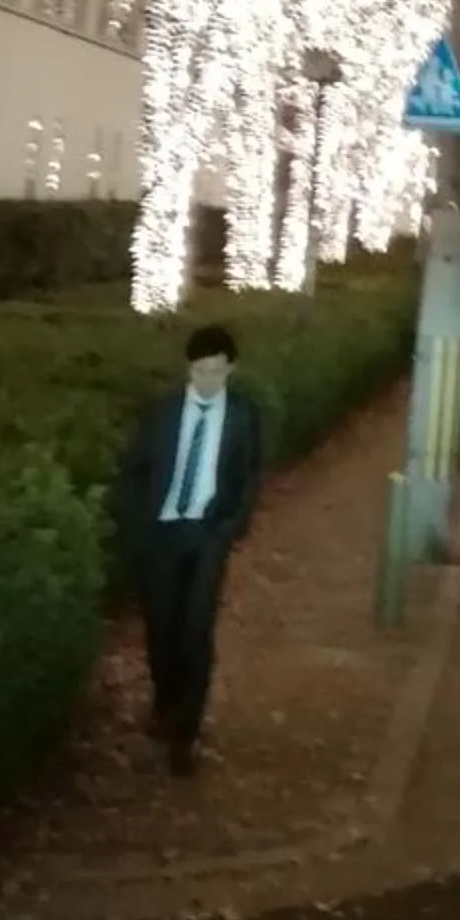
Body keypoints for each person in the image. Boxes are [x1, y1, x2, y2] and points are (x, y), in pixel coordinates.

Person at [115, 322, 264, 775]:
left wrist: (229, 528)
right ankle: (166, 704)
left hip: (206, 533)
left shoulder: (243, 415)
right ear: (188, 368)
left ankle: (186, 732)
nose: (207, 382)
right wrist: (135, 522)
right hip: (160, 532)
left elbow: (250, 475)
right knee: (162, 630)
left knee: (196, 630)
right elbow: (134, 468)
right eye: (200, 372)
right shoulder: (162, 412)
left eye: (216, 373)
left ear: (230, 370)